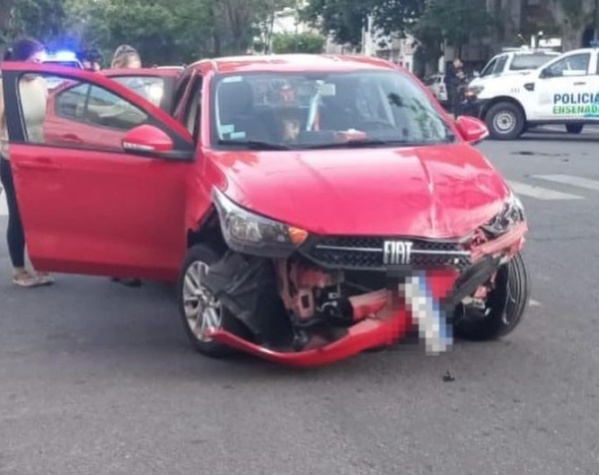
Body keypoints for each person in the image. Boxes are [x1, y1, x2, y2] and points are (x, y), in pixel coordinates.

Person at [0, 37, 55, 287]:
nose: (39, 66)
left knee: (41, 213)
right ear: (21, 61)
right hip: (12, 157)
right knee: (19, 213)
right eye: (35, 61)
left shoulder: (42, 82)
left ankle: (42, 263)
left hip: (40, 157)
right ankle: (19, 269)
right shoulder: (6, 86)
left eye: (42, 61)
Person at [109, 44, 144, 288]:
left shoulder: (141, 86)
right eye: (133, 69)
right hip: (114, 154)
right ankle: (119, 266)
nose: (137, 74)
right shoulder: (107, 87)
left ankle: (125, 265)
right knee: (119, 215)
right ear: (119, 67)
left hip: (138, 153)